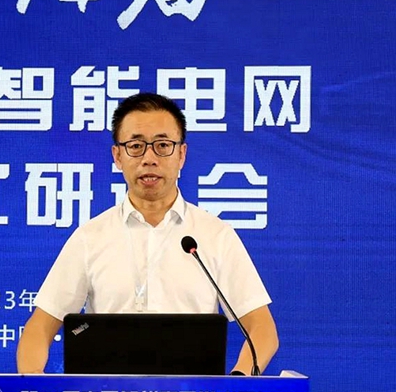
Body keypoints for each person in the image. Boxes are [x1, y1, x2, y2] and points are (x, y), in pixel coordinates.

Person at [16, 92, 278, 375]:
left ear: (181, 154)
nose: (149, 158)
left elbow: (262, 329)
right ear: (117, 156)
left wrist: (236, 383)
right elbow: (39, 327)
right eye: (136, 146)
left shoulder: (214, 236)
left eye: (162, 145)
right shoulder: (90, 238)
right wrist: (33, 388)